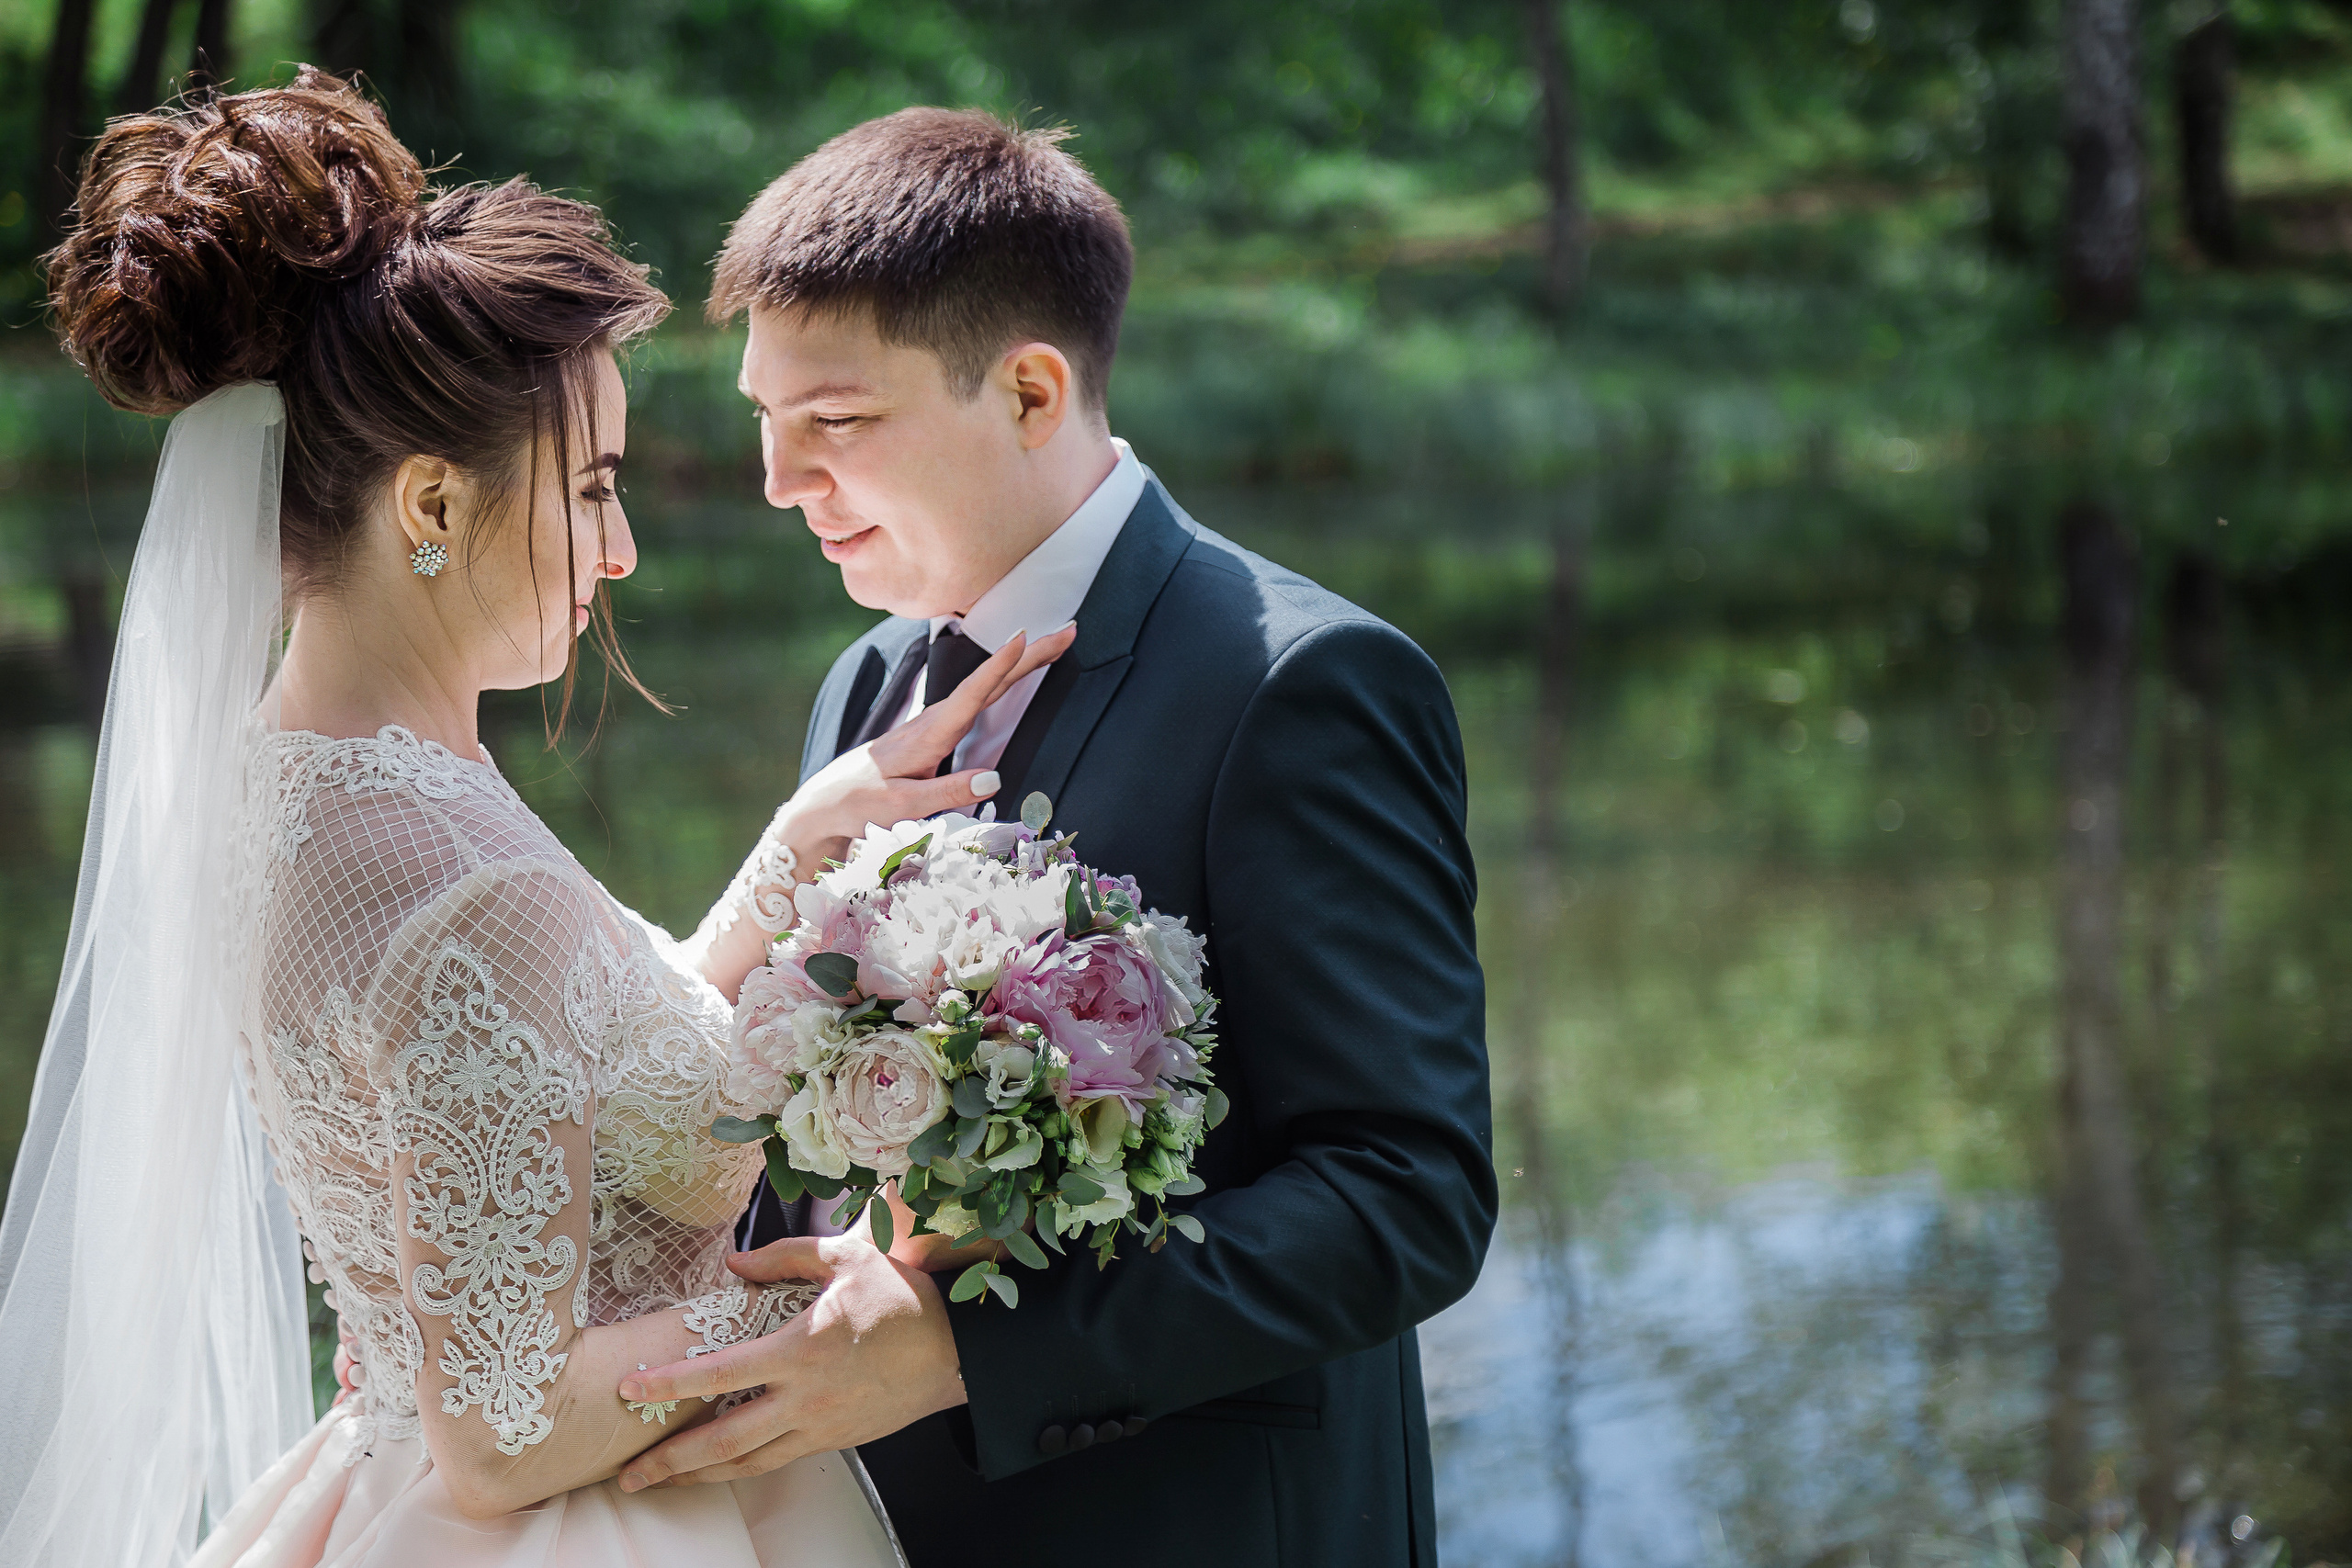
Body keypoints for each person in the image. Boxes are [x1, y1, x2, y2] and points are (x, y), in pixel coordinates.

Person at [0, 71, 1070, 1567]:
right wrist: (853, 1296)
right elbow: (505, 1430)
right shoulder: (434, 867)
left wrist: (790, 855)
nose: (620, 550)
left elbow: (574, 1072)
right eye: (592, 489)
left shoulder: (310, 774)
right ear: (429, 508)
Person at [611, 108, 1498, 1568]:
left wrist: (965, 1351)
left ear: (1030, 392)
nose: (778, 483)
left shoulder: (1300, 684)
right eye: (763, 427)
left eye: (832, 422)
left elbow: (1407, 1196)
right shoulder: (869, 681)